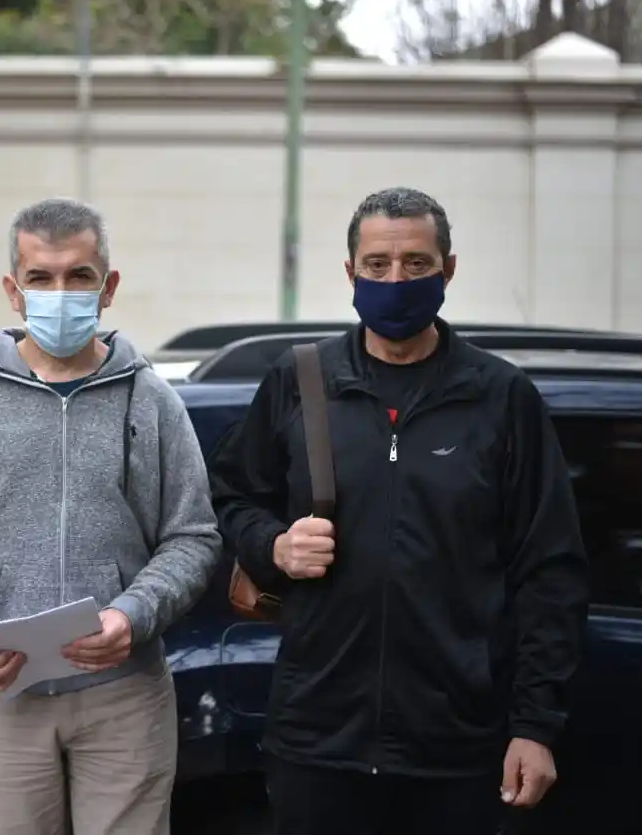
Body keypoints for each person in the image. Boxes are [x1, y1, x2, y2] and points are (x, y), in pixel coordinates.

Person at [209, 187, 589, 835]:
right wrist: (272, 546)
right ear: (350, 271)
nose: (396, 279)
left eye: (416, 263)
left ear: (449, 269)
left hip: (456, 744)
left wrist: (534, 725)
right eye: (378, 264)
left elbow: (549, 570)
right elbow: (232, 496)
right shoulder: (300, 381)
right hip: (318, 736)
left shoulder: (501, 397)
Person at [0, 197, 223, 835]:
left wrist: (133, 613)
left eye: (79, 276)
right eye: (41, 278)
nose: (60, 292)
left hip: (124, 695)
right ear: (14, 291)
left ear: (109, 286)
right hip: (3, 695)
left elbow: (191, 537)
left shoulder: (152, 401)